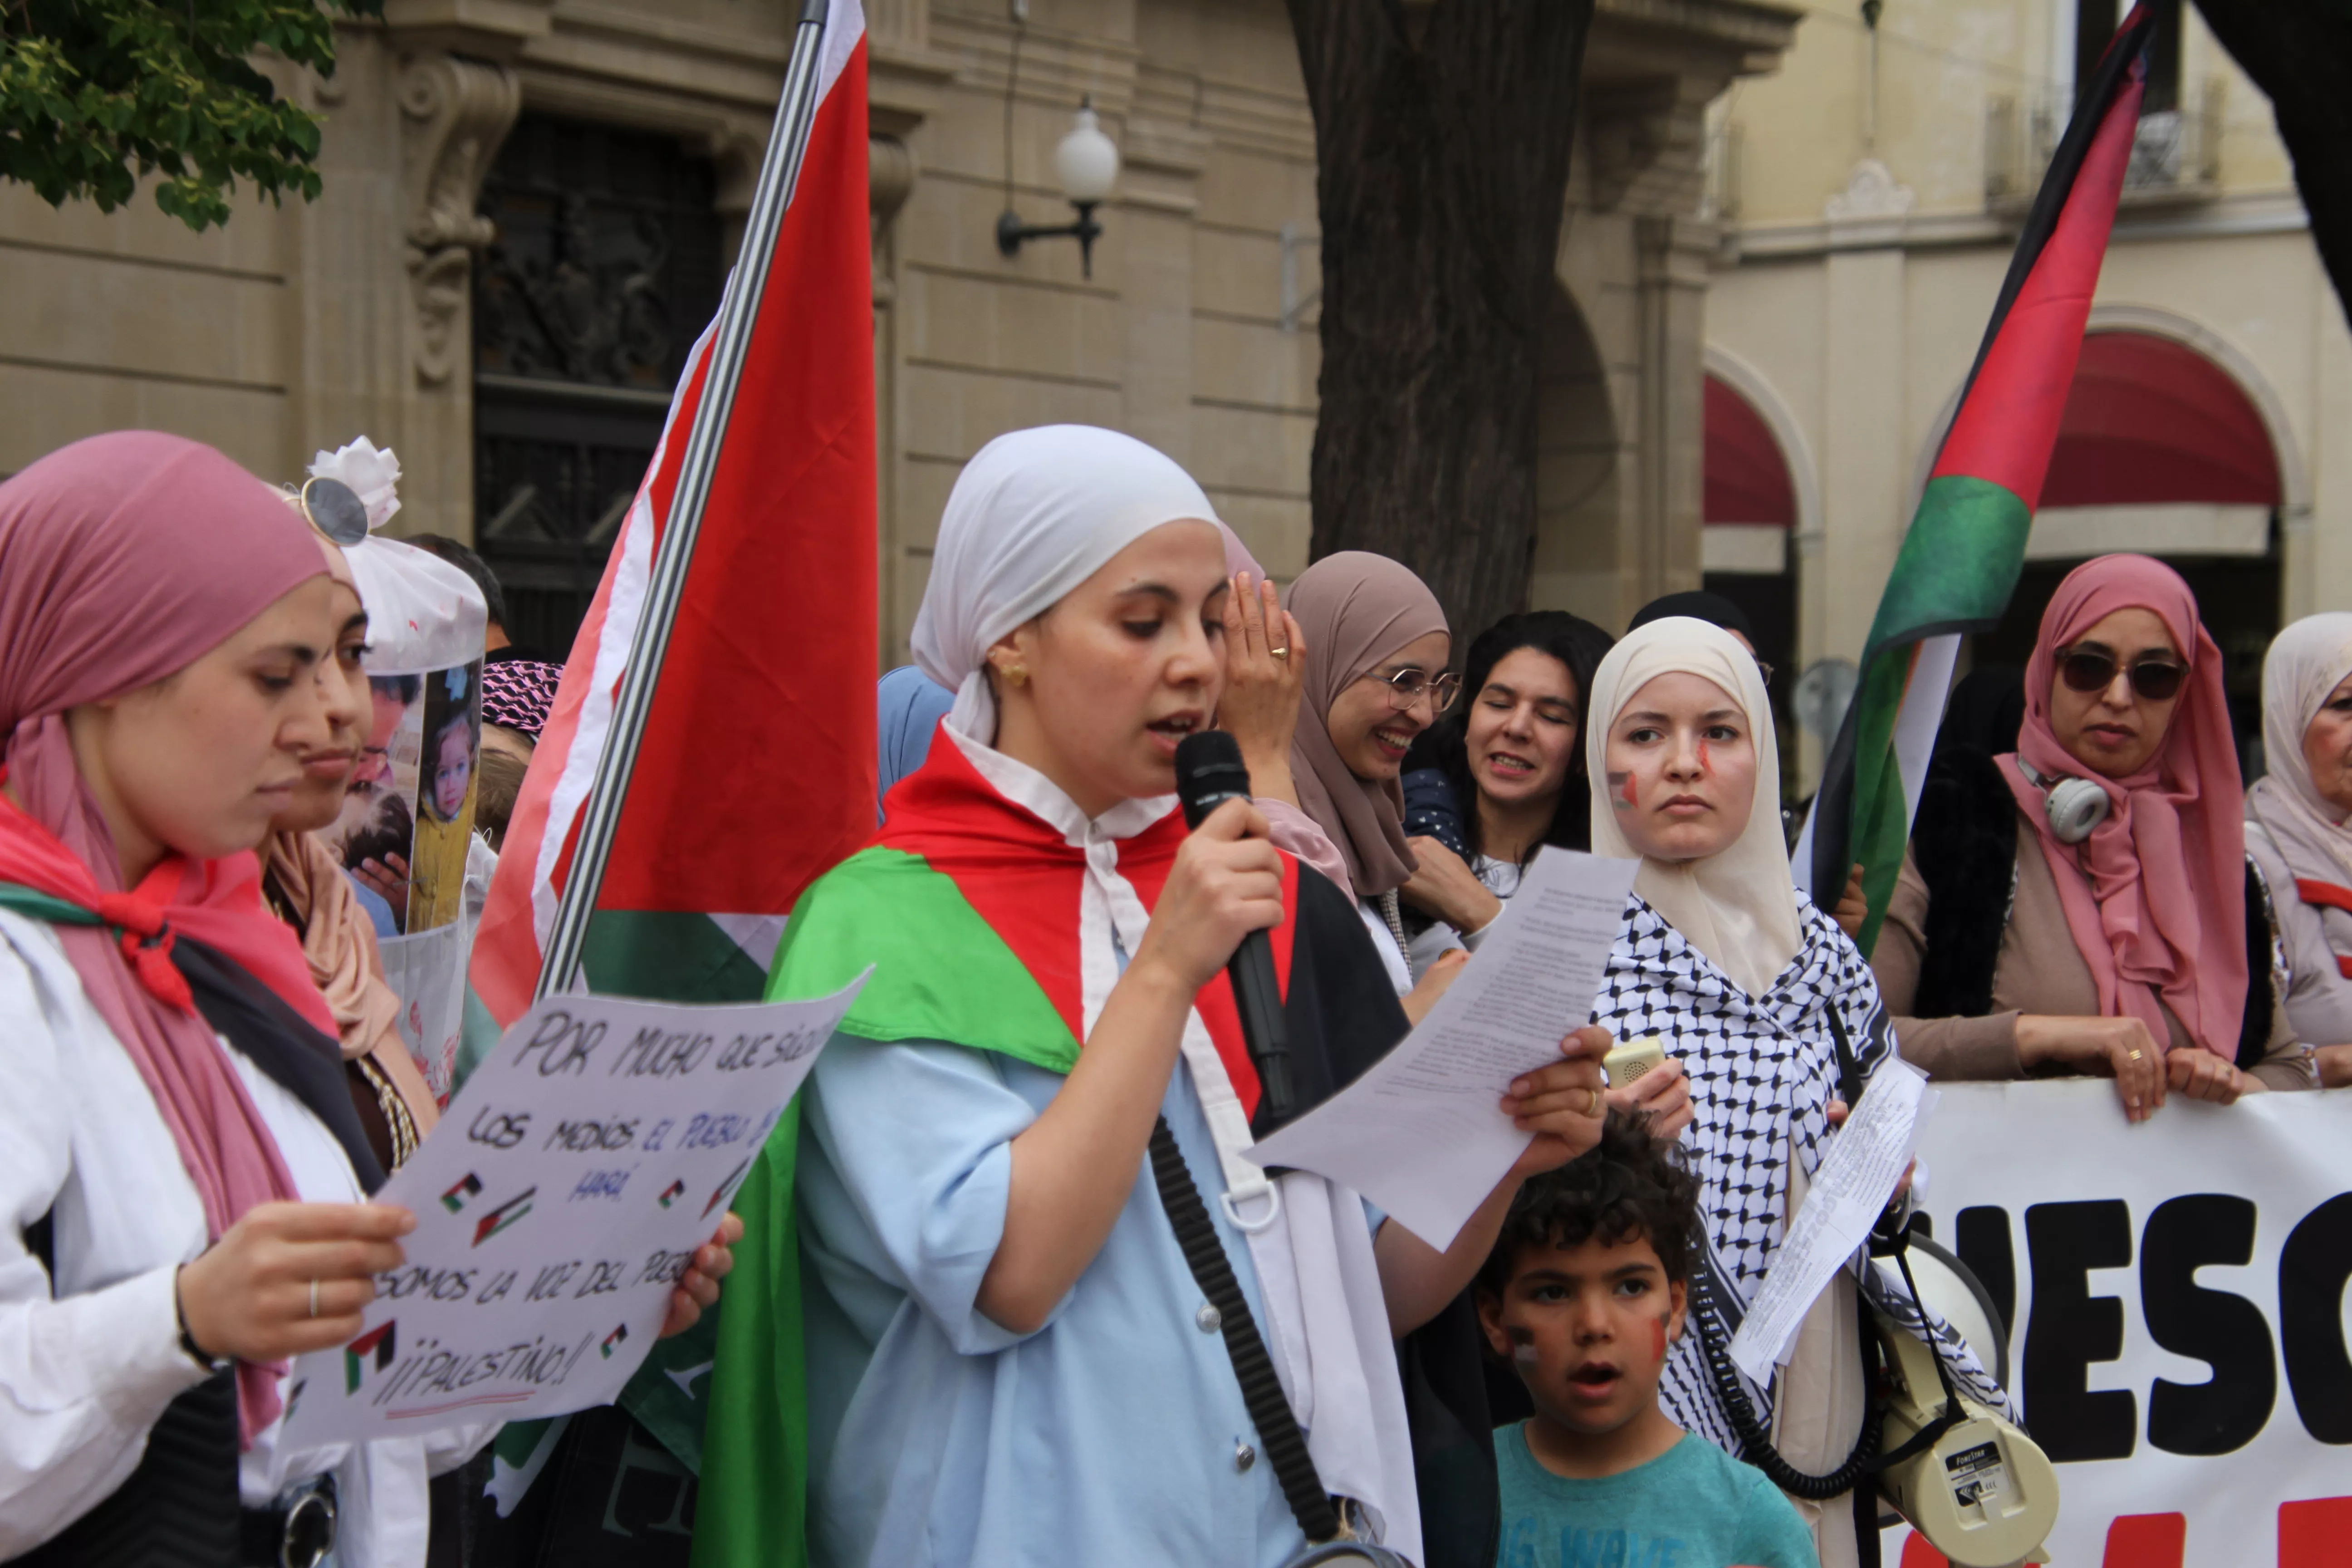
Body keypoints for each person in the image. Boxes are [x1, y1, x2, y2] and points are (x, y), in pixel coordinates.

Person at [692, 424, 1615, 1568]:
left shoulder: (1269, 891)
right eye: (1143, 622)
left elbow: (1373, 1288)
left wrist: (1498, 1150)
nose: (1198, 664)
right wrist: (1166, 970)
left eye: (1213, 623)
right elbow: (1011, 1272)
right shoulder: (882, 921)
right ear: (1011, 637)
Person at [1582, 614, 2004, 1566]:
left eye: (1720, 734)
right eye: (1646, 734)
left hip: (1820, 1377)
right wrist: (1583, 1139)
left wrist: (1881, 1180)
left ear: (1764, 758)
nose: (1685, 763)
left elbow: (1890, 1164)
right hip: (1616, 1384)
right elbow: (1481, 1189)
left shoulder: (1826, 960)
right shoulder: (1554, 953)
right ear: (1601, 759)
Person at [1873, 554, 2314, 1112]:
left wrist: (2231, 1085)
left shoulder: (2209, 855)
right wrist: (2036, 1037)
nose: (2119, 697)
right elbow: (1862, 1042)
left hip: (2176, 1197)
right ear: (2046, 668)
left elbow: (2291, 1069)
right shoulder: (1953, 813)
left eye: (2154, 676)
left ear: (2185, 693)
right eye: (2089, 666)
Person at [1478, 1113, 1820, 1568]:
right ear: (1496, 1320)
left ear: (1676, 1306)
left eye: (1631, 1287)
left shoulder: (1749, 1520)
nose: (1595, 1325)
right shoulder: (1458, 1494)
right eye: (1553, 1292)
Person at [258, 532, 442, 1167]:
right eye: (278, 669)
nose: (342, 704)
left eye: (353, 653)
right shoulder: (49, 955)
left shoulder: (334, 916)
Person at [1279, 550, 1467, 1014]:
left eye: (1439, 686)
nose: (1425, 714)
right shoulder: (1259, 820)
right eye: (1404, 681)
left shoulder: (1366, 825)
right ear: (1323, 664)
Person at [1399, 609, 1615, 931]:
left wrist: (1476, 909)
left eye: (1552, 716)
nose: (1517, 728)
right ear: (1469, 719)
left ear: (1588, 751)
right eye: (1499, 704)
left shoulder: (1611, 887)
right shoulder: (1400, 835)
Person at [2245, 613, 2352, 1088]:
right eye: (2347, 705)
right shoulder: (2247, 864)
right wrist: (2330, 1066)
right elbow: (2223, 1058)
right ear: (2290, 718)